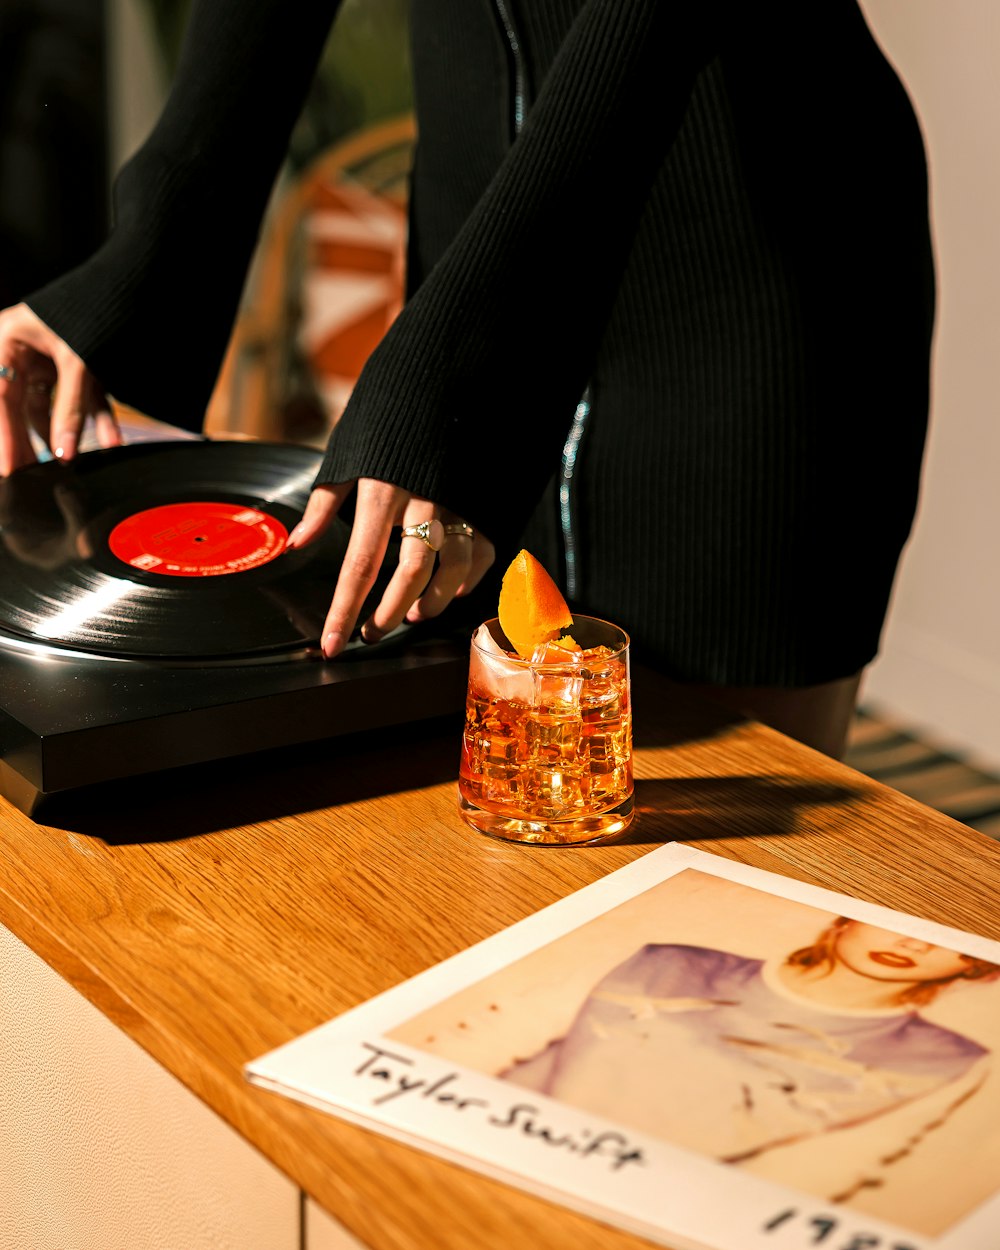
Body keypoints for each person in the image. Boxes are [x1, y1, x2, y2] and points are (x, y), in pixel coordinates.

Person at [0, 1, 936, 759]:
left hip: (749, 284)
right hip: (475, 241)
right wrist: (144, 260)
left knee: (735, 828)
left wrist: (459, 363)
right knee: (494, 810)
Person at [500, 919, 999, 1202]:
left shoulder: (943, 1059)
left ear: (973, 964)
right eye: (895, 923)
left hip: (653, 1199)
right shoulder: (670, 961)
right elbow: (511, 1034)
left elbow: (836, 1168)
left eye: (954, 942)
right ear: (846, 917)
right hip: (500, 1132)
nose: (915, 942)